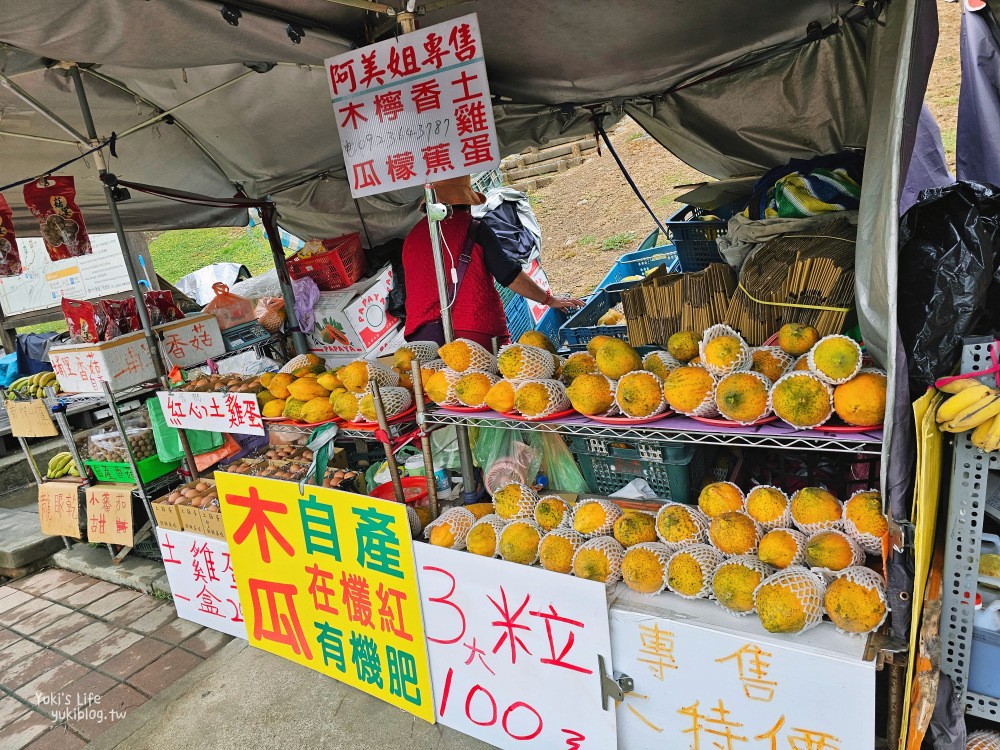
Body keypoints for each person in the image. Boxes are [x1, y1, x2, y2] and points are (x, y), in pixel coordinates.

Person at [402, 176, 584, 349]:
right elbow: (509, 275)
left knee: (440, 382)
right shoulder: (474, 228)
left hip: (424, 337)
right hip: (473, 332)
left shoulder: (411, 238)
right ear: (466, 201)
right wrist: (549, 300)